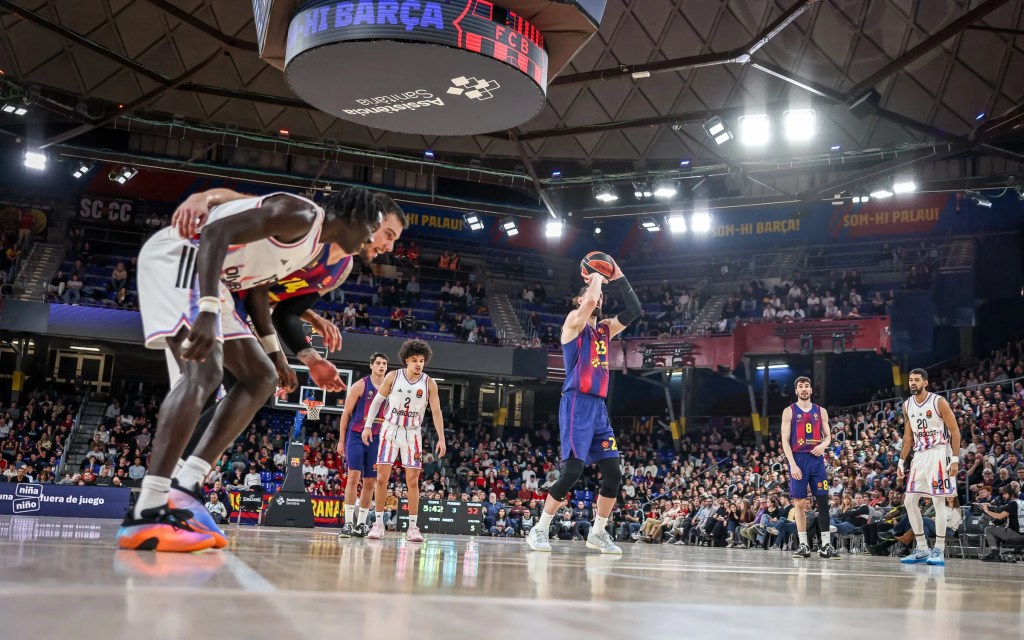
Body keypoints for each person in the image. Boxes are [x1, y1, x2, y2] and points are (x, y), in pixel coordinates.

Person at [117, 188, 380, 552]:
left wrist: (276, 354)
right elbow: (214, 233)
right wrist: (208, 309)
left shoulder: (310, 248)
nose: (371, 239)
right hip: (183, 258)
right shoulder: (301, 215)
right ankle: (147, 510)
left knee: (262, 378)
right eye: (372, 229)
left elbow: (258, 292)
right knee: (204, 375)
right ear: (353, 217)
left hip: (218, 283)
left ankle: (185, 487)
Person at [526, 256, 641, 554]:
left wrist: (619, 275)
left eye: (600, 294)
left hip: (598, 408)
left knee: (614, 473)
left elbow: (635, 310)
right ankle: (539, 529)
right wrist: (596, 276)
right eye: (592, 292)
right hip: (576, 402)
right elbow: (589, 303)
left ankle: (598, 532)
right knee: (572, 471)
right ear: (579, 297)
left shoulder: (604, 329)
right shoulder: (573, 324)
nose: (598, 297)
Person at [362, 339, 446, 542]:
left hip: (413, 434)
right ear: (407, 360)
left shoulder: (429, 383)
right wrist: (367, 426)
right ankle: (378, 523)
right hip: (389, 431)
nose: (419, 364)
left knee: (413, 482)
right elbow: (376, 402)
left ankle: (413, 527)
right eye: (415, 360)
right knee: (381, 479)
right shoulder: (393, 376)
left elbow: (436, 411)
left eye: (422, 360)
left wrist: (441, 438)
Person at [896, 368, 961, 566]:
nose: (913, 383)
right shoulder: (907, 405)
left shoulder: (938, 401)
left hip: (939, 453)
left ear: (925, 382)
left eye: (916, 380)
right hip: (920, 456)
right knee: (909, 501)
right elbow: (908, 436)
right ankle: (922, 548)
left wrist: (955, 459)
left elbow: (955, 430)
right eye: (911, 380)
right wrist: (901, 461)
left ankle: (939, 550)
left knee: (939, 502)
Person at [781, 376, 840, 559]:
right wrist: (792, 464)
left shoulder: (820, 411)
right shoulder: (789, 411)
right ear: (796, 391)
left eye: (807, 386)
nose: (804, 389)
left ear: (811, 390)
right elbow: (784, 440)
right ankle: (804, 545)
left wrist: (823, 445)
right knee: (799, 503)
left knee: (822, 501)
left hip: (816, 460)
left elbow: (828, 436)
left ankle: (826, 546)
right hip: (798, 459)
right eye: (801, 386)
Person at [336, 352, 389, 538]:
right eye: (379, 363)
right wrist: (342, 440)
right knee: (353, 478)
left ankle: (361, 524)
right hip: (357, 436)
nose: (382, 366)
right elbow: (346, 413)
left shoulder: (390, 389)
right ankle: (348, 523)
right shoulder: (360, 385)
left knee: (370, 482)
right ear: (371, 366)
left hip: (377, 439)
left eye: (384, 364)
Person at [979, 488, 1024, 561]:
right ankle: (997, 554)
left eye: (1005, 494)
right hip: (1021, 532)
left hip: (1015, 533)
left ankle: (994, 555)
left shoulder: (1013, 503)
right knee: (997, 531)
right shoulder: (1022, 502)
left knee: (988, 530)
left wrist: (987, 511)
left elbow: (1000, 516)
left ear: (1011, 495)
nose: (1003, 496)